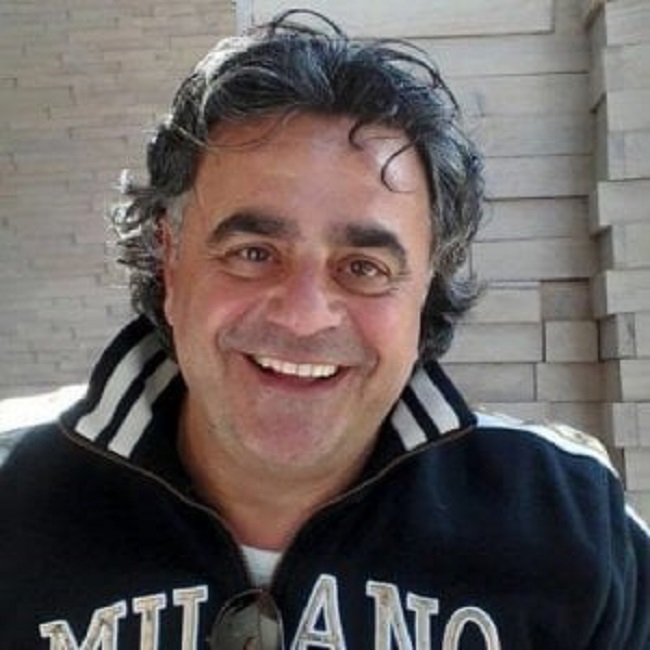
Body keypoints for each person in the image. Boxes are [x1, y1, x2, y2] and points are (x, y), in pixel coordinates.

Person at [0, 10, 648, 649]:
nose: (304, 314)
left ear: (426, 285)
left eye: (363, 267)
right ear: (169, 259)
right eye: (253, 252)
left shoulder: (574, 523)